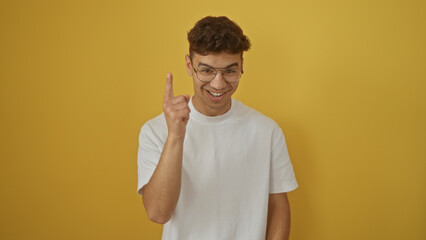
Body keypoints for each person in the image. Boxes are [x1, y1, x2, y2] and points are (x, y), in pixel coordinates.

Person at [137, 16, 298, 240]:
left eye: (230, 71)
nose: (218, 84)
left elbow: (278, 205)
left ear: (242, 66)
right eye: (206, 71)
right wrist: (175, 136)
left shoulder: (266, 130)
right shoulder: (155, 130)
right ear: (188, 65)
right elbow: (158, 213)